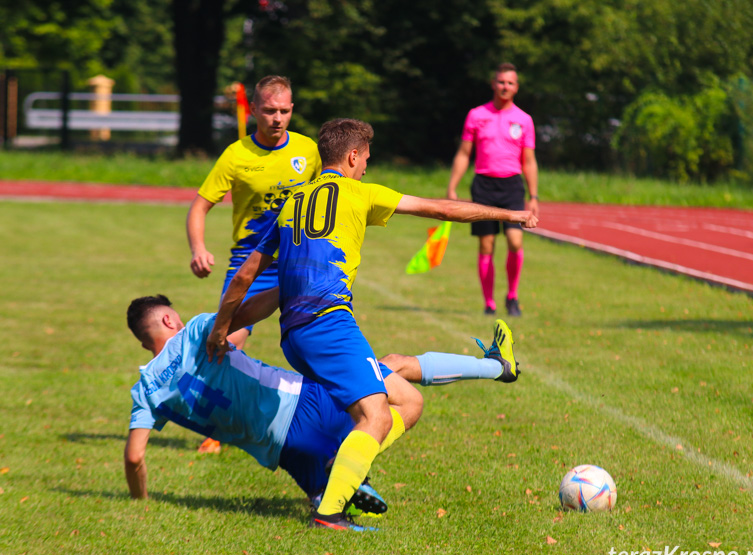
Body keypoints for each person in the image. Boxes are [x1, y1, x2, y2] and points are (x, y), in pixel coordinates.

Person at [207, 118, 537, 530]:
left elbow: (243, 277)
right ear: (350, 157)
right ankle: (330, 509)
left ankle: (351, 457)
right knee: (377, 417)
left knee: (408, 399)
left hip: (294, 333)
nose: (366, 166)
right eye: (365, 158)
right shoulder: (361, 193)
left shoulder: (292, 201)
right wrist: (511, 214)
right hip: (329, 325)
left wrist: (221, 327)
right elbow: (444, 209)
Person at [124, 290, 521, 530]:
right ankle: (498, 367)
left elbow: (135, 456)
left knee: (326, 492)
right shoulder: (193, 332)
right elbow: (242, 323)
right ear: (167, 318)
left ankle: (330, 487)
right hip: (302, 403)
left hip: (281, 450)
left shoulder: (145, 392)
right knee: (400, 383)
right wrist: (287, 290)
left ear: (145, 342)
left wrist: (140, 503)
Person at [186, 75, 321, 350]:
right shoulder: (236, 155)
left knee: (315, 346)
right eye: (270, 110)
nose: (277, 118)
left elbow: (332, 197)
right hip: (250, 264)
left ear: (292, 109)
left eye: (284, 111)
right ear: (254, 109)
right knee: (223, 344)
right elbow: (199, 207)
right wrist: (198, 249)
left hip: (299, 261)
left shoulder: (308, 150)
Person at [446, 62, 538, 317]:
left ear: (516, 87)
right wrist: (452, 186)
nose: (505, 86)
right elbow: (464, 154)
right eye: (501, 82)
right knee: (486, 245)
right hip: (484, 185)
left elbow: (529, 161)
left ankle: (512, 296)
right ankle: (489, 303)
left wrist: (534, 195)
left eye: (510, 82)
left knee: (515, 240)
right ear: (493, 84)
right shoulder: (477, 115)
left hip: (511, 185)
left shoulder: (524, 119)